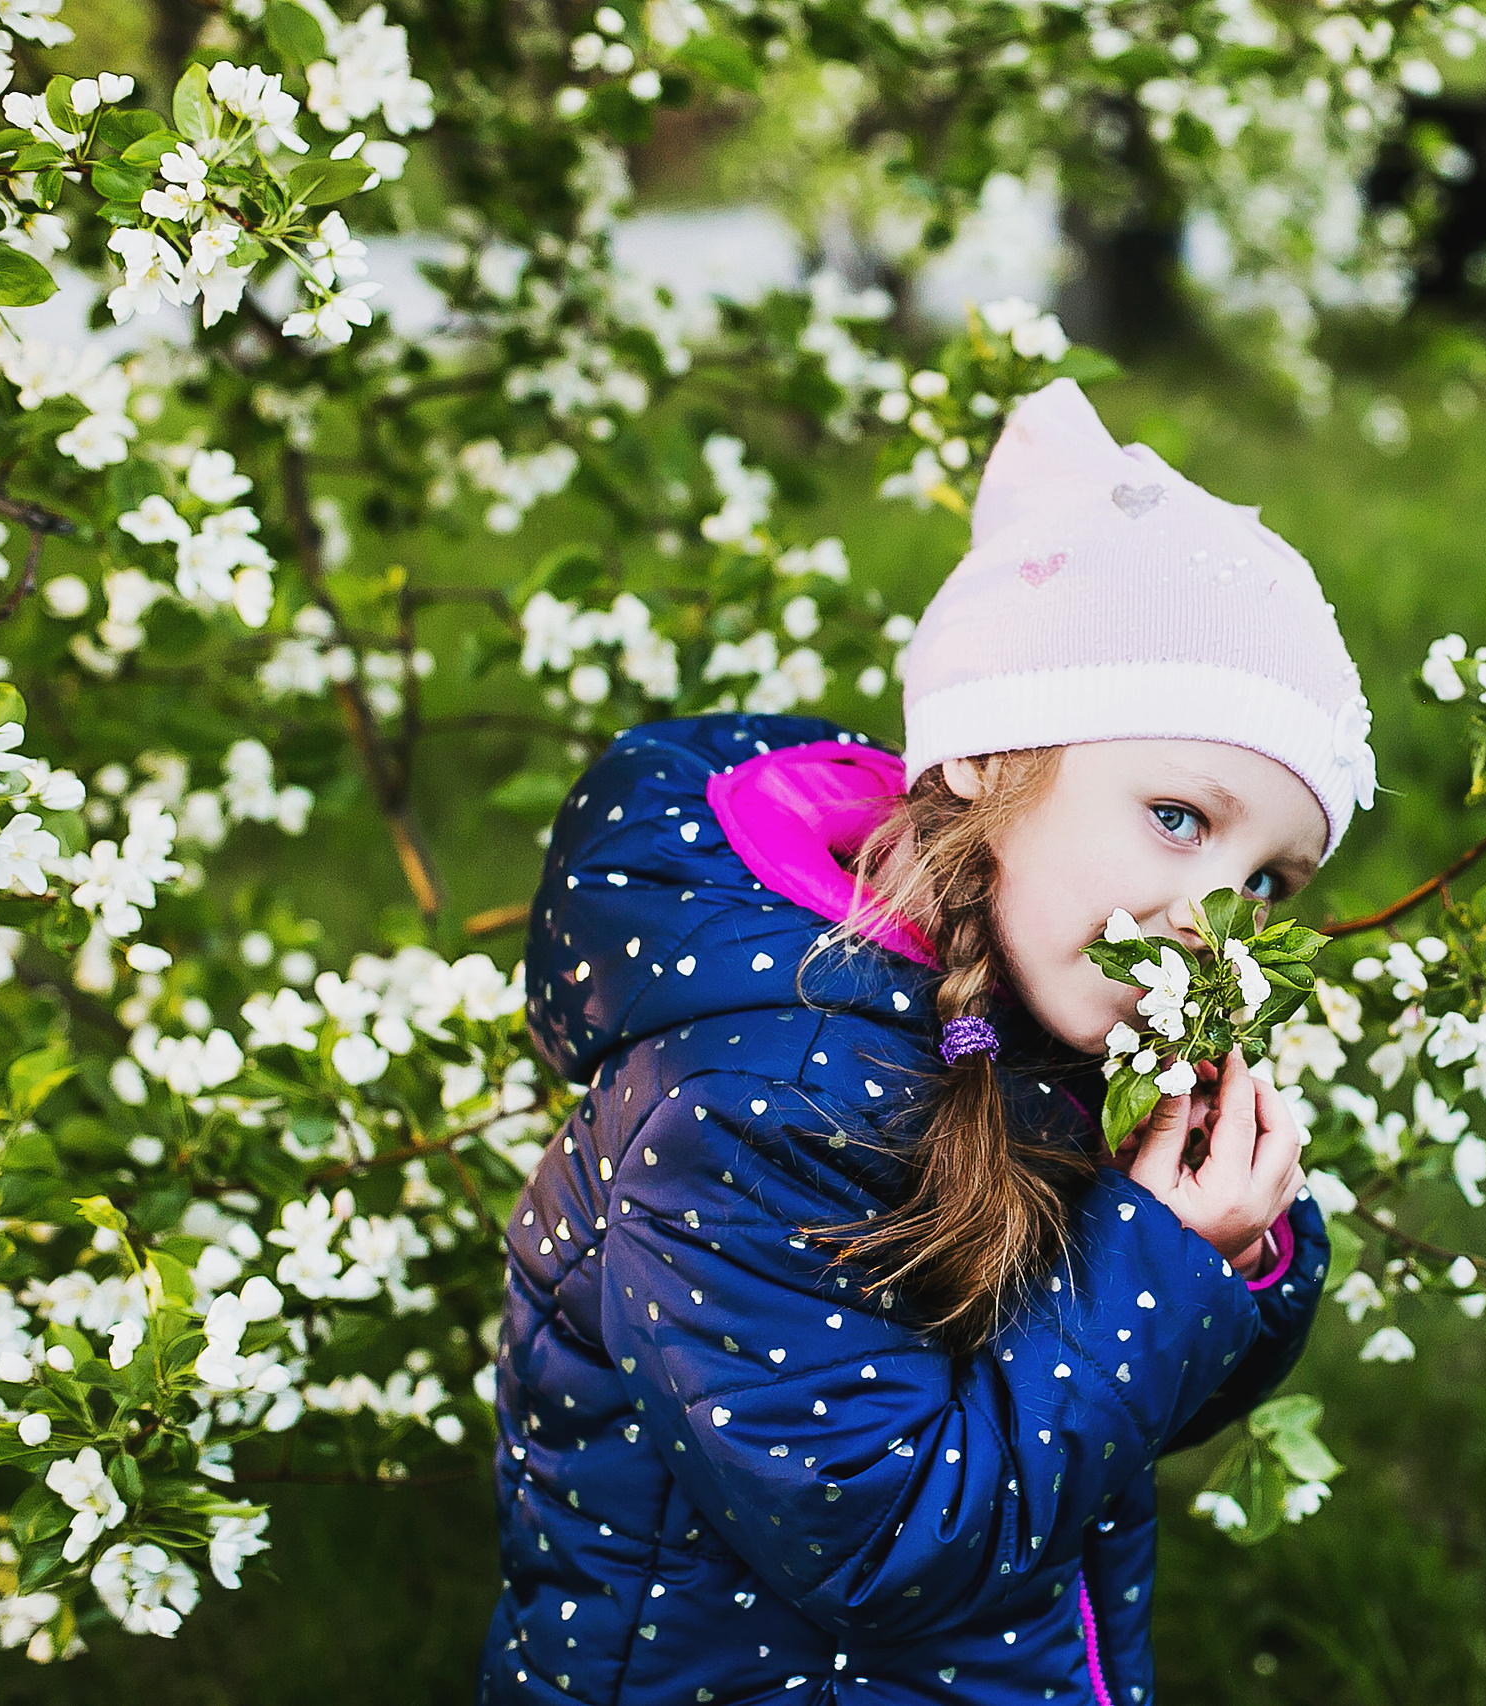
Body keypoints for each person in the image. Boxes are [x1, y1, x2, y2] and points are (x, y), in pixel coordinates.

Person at [478, 377, 1379, 1705]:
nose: (1212, 922)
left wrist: (1221, 1254)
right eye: (1182, 818)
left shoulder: (1035, 1022)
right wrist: (1153, 1261)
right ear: (984, 756)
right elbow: (881, 1540)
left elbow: (1108, 1406)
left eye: (1264, 882)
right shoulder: (757, 1102)